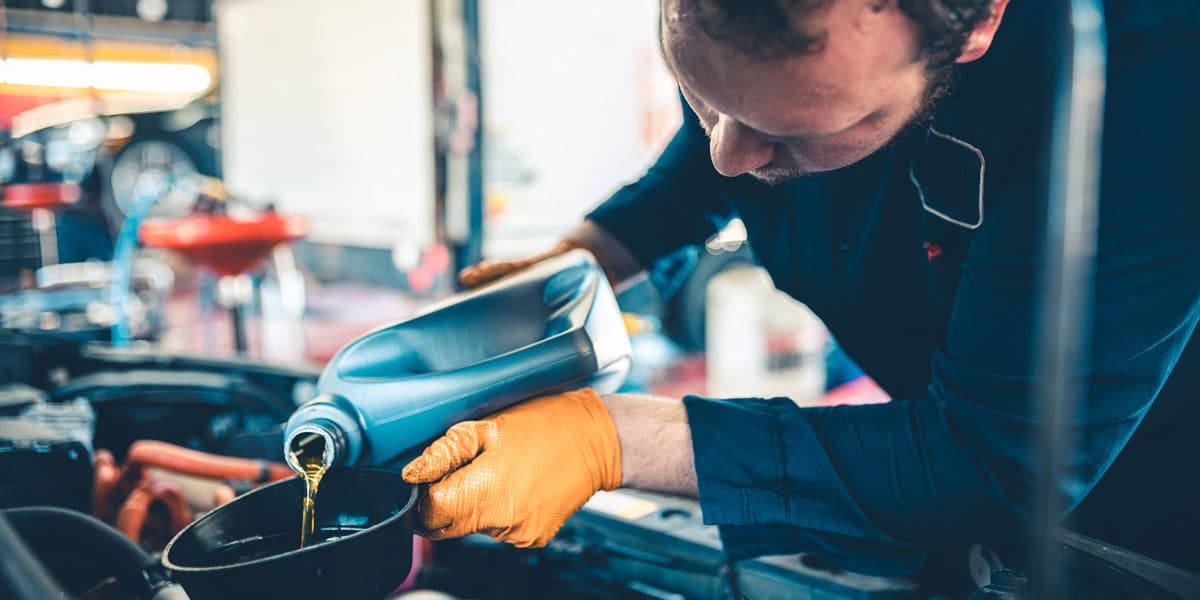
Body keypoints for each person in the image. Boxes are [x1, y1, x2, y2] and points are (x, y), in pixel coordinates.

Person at [400, 0, 1200, 577]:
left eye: (792, 135)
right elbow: (709, 159)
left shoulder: (1152, 82)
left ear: (980, 21)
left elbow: (994, 462)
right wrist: (590, 258)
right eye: (698, 93)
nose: (728, 156)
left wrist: (612, 438)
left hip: (1139, 532)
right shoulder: (774, 78)